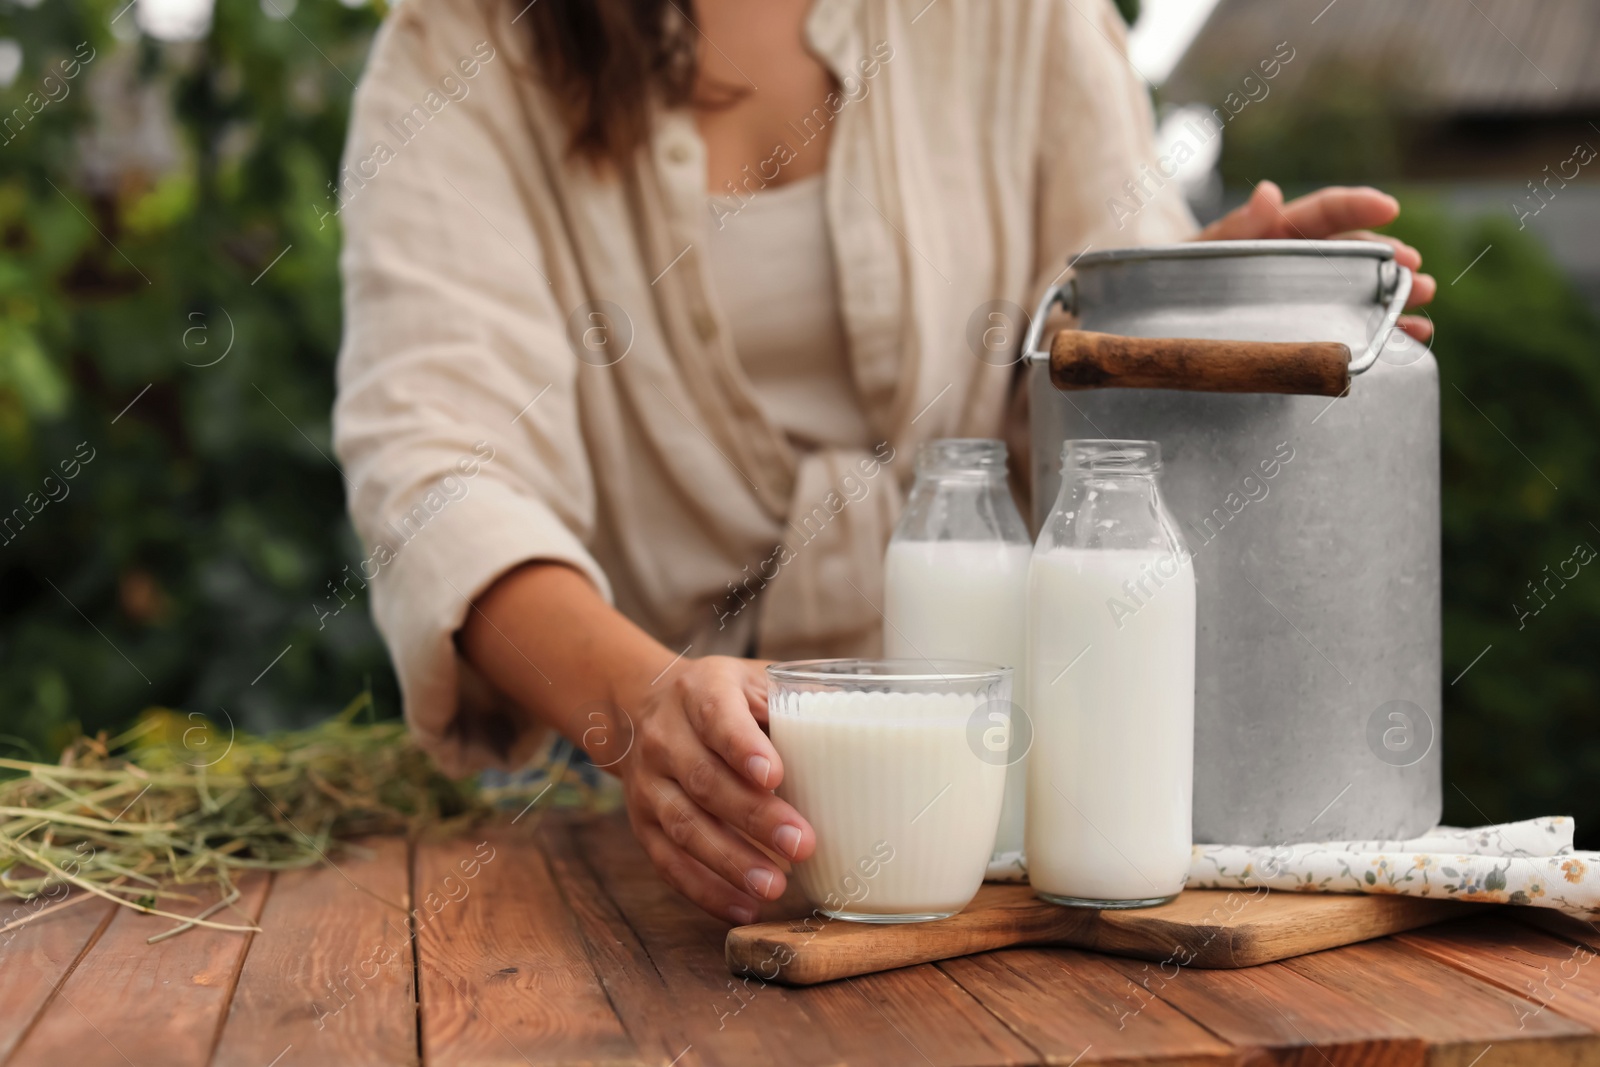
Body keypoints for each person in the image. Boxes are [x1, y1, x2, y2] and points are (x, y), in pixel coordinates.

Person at [332, 0, 1436, 926]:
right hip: (686, 809)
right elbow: (435, 462)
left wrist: (1178, 319)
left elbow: (1073, 369)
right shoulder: (464, 45)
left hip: (1034, 786)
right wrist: (647, 709)